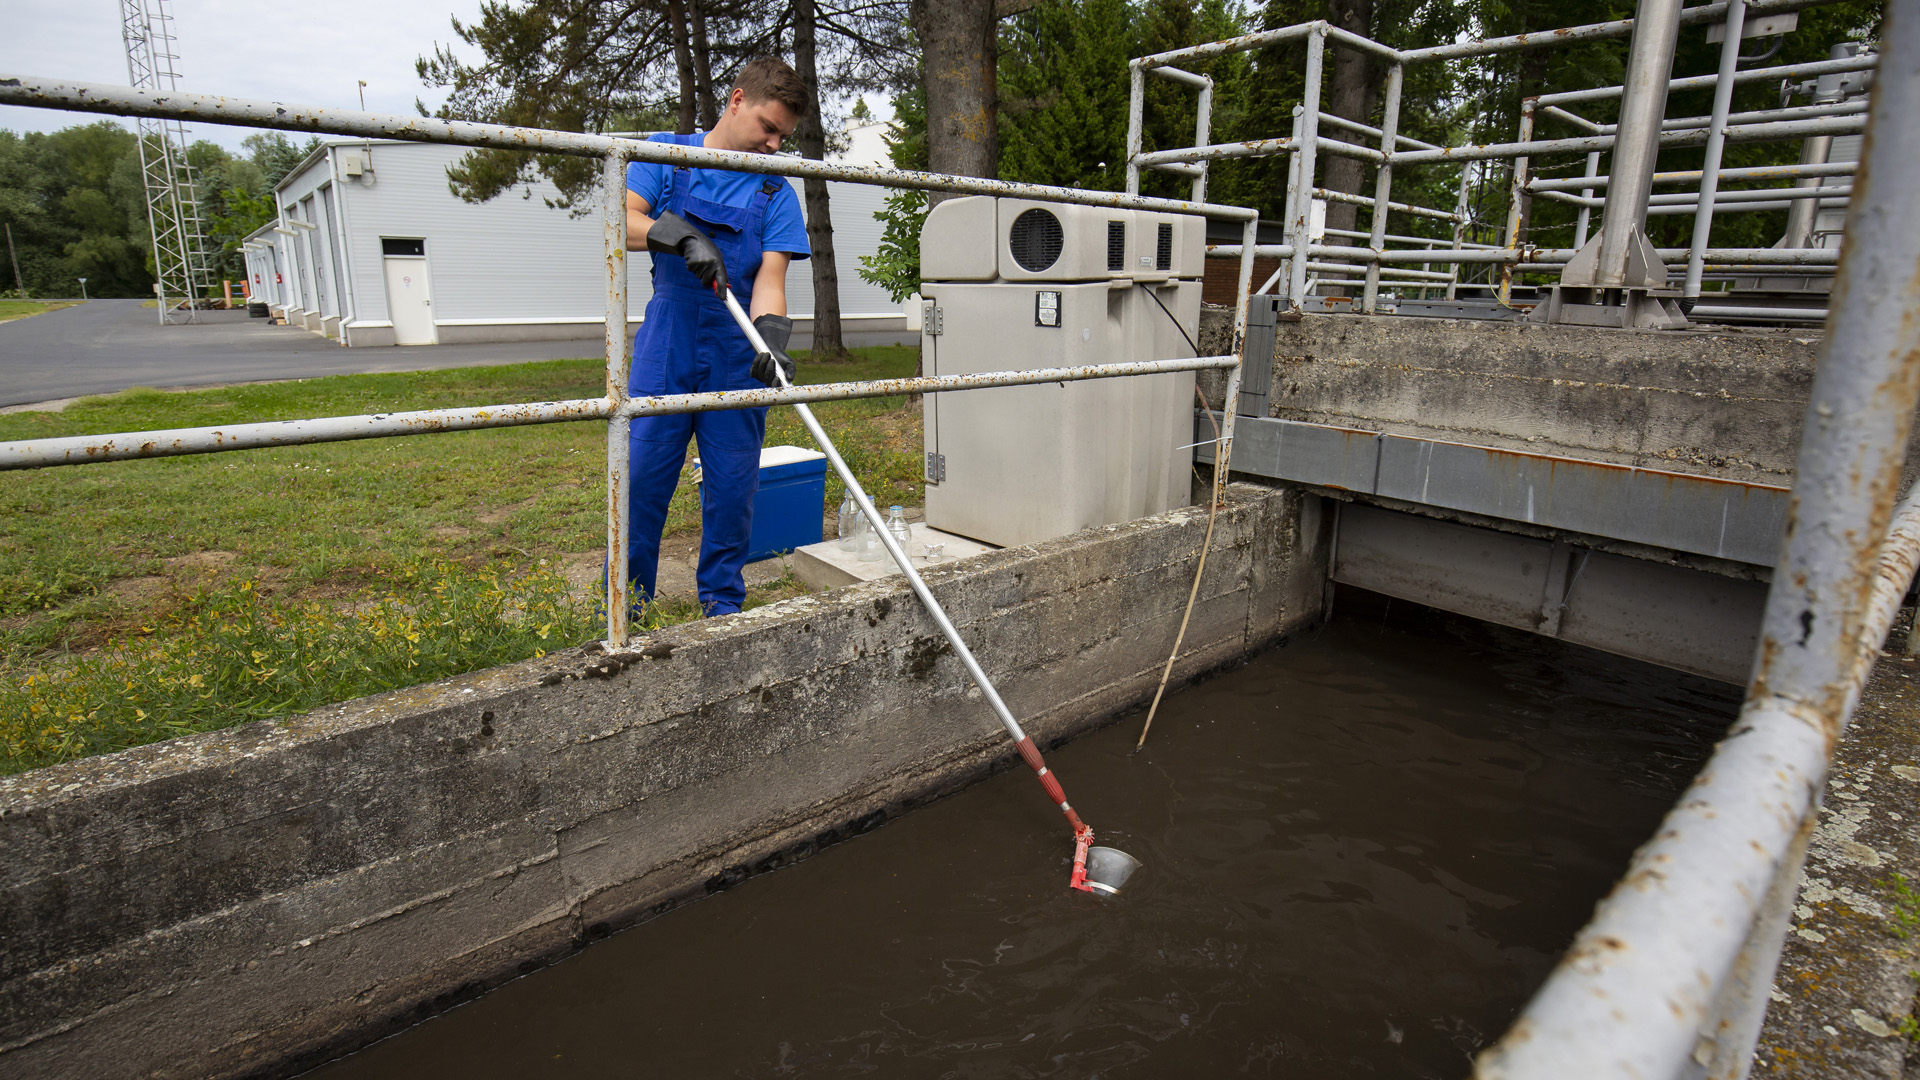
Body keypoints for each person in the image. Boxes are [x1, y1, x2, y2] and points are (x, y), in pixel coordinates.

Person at [626, 57, 813, 617]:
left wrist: (771, 341)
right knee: (641, 483)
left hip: (736, 349)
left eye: (783, 135)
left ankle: (723, 608)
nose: (775, 144)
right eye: (768, 128)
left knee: (733, 489)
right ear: (736, 101)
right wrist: (680, 235)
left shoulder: (775, 192)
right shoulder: (666, 156)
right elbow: (621, 220)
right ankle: (625, 607)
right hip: (668, 343)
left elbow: (770, 280)